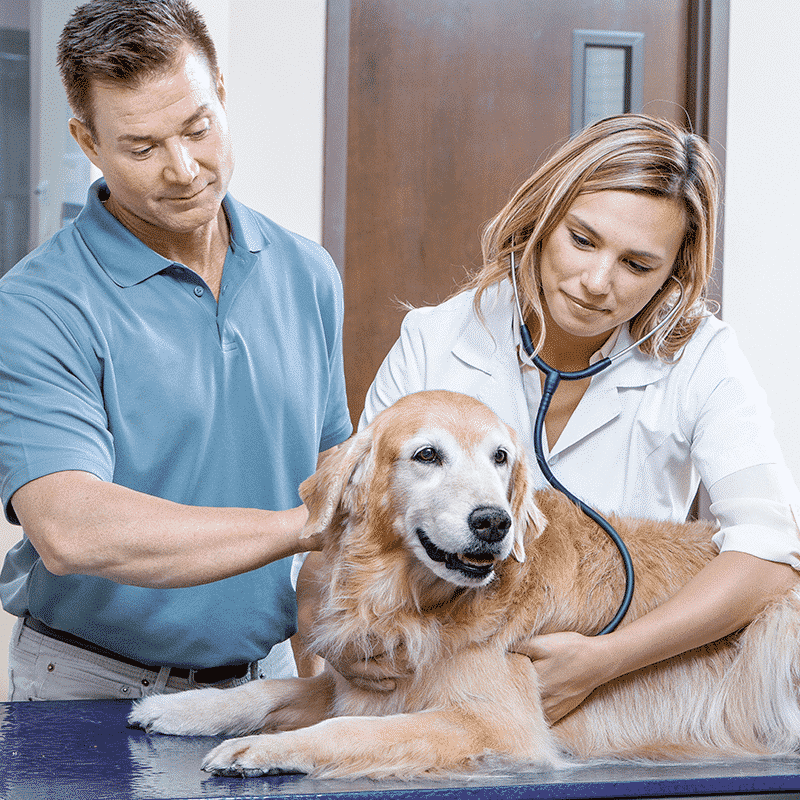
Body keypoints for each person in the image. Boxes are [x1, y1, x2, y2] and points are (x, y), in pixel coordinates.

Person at [298, 113, 800, 722]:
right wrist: (342, 649)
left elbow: (772, 557)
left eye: (638, 265)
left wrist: (606, 659)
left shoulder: (701, 357)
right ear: (542, 217)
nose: (596, 283)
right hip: (448, 695)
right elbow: (346, 527)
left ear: (675, 274)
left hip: (624, 694)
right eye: (582, 240)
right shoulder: (438, 339)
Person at [0, 0, 351, 701]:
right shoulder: (37, 304)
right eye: (142, 147)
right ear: (88, 142)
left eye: (198, 128)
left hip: (265, 675)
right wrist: (300, 528)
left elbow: (327, 466)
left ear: (221, 97)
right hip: (91, 679)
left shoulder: (307, 272)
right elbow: (69, 529)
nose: (184, 168)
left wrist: (324, 649)